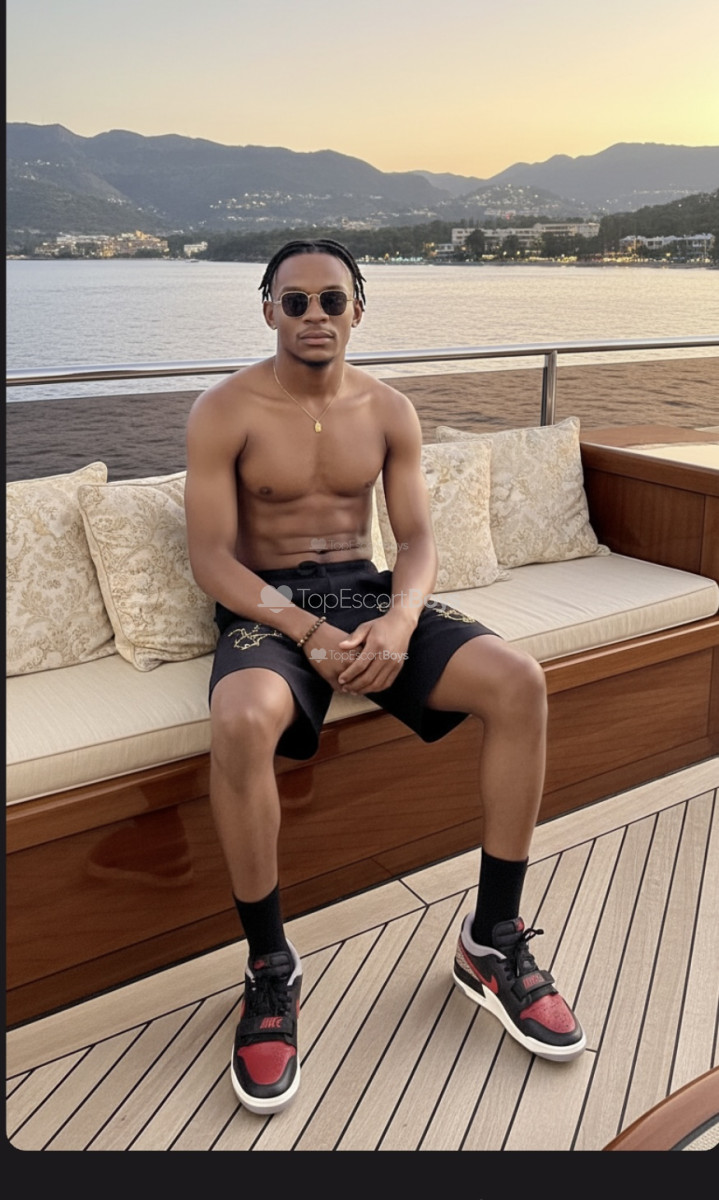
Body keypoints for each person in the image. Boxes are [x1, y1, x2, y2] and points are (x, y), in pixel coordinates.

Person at [184, 237, 585, 1115]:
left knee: (518, 680)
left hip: (367, 594)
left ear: (357, 310)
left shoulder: (388, 409)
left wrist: (398, 621)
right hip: (269, 606)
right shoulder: (224, 410)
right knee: (241, 720)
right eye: (295, 301)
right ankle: (269, 966)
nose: (314, 315)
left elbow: (415, 541)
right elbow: (211, 558)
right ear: (267, 310)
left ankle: (492, 938)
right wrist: (306, 631)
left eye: (331, 300)